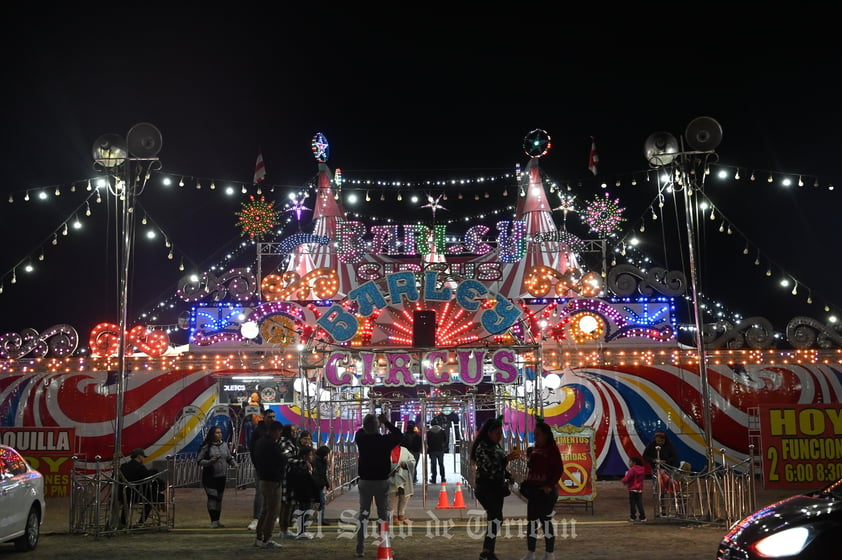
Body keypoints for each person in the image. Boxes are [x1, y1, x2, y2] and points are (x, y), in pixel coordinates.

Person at [354, 412, 404, 558]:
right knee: (383, 515)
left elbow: (361, 430)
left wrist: (372, 423)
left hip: (364, 481)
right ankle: (384, 543)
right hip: (381, 481)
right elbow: (399, 435)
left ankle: (360, 548)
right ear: (378, 427)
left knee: (363, 514)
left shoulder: (361, 438)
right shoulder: (384, 441)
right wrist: (386, 423)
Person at [470, 416, 519, 560]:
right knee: (496, 518)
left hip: (497, 487)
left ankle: (487, 551)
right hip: (486, 487)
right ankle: (487, 551)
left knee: (495, 518)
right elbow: (489, 468)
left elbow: (499, 466)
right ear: (489, 433)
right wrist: (506, 460)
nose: (499, 437)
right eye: (497, 433)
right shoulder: (482, 448)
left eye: (500, 433)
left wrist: (508, 475)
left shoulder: (495, 446)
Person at [520, 419, 563, 560]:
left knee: (545, 521)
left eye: (538, 434)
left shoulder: (552, 450)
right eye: (535, 434)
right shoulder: (535, 449)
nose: (535, 437)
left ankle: (549, 553)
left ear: (545, 435)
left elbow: (558, 470)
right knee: (532, 522)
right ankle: (531, 552)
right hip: (534, 490)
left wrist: (549, 486)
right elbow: (532, 468)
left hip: (546, 492)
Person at [251, 420, 285, 549]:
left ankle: (259, 537)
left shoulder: (261, 442)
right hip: (272, 480)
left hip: (264, 478)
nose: (279, 435)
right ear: (275, 431)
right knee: (272, 511)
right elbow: (279, 460)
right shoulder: (270, 444)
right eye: (279, 432)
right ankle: (267, 538)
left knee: (265, 510)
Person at [196, 426, 237, 528]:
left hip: (221, 476)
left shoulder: (224, 445)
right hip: (210, 476)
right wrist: (210, 462)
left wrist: (234, 464)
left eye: (220, 432)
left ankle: (217, 520)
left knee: (219, 498)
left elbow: (228, 457)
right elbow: (199, 461)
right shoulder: (206, 446)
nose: (219, 434)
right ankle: (213, 520)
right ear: (212, 434)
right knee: (212, 497)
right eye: (217, 433)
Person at [247, 408, 276, 531]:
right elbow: (253, 449)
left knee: (274, 493)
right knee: (260, 492)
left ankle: (272, 516)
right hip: (261, 467)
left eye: (273, 417)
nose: (272, 419)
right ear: (264, 418)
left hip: (274, 469)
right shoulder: (258, 432)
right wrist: (257, 465)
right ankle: (257, 518)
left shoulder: (276, 430)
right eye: (269, 417)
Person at [119, 448, 164, 526]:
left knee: (127, 502)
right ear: (139, 456)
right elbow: (147, 477)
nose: (143, 459)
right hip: (136, 494)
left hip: (124, 494)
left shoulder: (123, 466)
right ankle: (141, 522)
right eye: (143, 457)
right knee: (151, 498)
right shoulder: (140, 467)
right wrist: (154, 472)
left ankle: (123, 522)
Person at [287, 445, 319, 539]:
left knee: (306, 512)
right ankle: (301, 531)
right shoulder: (302, 466)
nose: (312, 457)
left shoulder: (307, 465)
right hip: (304, 494)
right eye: (310, 455)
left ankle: (303, 530)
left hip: (306, 494)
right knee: (304, 512)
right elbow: (306, 480)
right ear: (305, 456)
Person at [642, 431, 678, 515]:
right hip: (656, 470)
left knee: (672, 489)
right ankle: (662, 510)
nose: (660, 443)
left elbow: (674, 457)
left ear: (665, 440)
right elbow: (645, 456)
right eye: (658, 441)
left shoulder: (670, 446)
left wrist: (665, 462)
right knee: (659, 491)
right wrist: (653, 460)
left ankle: (675, 509)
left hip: (668, 470)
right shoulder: (651, 445)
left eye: (661, 441)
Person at [278, 423, 304, 538]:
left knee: (289, 504)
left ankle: (285, 528)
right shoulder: (285, 441)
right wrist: (301, 462)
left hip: (292, 475)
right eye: (292, 431)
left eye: (296, 431)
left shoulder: (292, 442)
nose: (295, 433)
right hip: (286, 475)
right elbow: (287, 457)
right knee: (285, 503)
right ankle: (283, 529)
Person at [388, 443, 416, 524]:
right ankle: (393, 516)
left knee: (404, 497)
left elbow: (412, 460)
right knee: (393, 497)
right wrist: (393, 467)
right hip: (391, 477)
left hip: (404, 477)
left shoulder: (404, 450)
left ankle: (401, 514)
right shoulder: (385, 449)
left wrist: (405, 464)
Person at [621, 456, 647, 523]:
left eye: (630, 462)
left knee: (633, 504)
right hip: (639, 489)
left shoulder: (632, 470)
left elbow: (627, 478)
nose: (629, 463)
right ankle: (642, 517)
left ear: (634, 463)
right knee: (640, 504)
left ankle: (633, 517)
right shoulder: (642, 470)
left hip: (632, 489)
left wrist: (623, 480)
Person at [313, 445, 332, 525]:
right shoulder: (316, 461)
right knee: (317, 502)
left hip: (320, 485)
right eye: (326, 454)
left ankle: (320, 519)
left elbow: (323, 474)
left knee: (322, 502)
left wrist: (327, 484)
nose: (327, 456)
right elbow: (319, 474)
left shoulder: (323, 461)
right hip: (315, 484)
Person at [426, 418, 448, 483]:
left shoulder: (429, 432)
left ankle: (434, 478)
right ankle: (443, 478)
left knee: (433, 464)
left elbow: (427, 441)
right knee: (441, 464)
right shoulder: (442, 431)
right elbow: (445, 440)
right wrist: (443, 446)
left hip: (432, 450)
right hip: (440, 450)